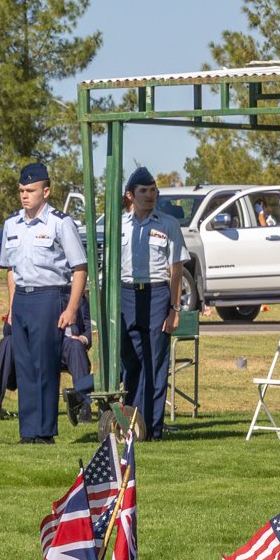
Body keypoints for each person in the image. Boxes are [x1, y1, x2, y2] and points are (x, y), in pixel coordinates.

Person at [1, 162, 88, 444]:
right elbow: (11, 270)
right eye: (21, 190)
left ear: (46, 191)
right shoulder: (11, 224)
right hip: (22, 300)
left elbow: (80, 268)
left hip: (49, 296)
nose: (25, 195)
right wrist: (12, 306)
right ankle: (28, 432)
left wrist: (72, 308)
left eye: (31, 190)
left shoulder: (60, 223)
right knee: (25, 366)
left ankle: (45, 431)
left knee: (45, 366)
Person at [118, 165, 183, 440]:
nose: (150, 195)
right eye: (143, 190)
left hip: (156, 294)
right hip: (127, 293)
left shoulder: (167, 224)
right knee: (130, 363)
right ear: (130, 195)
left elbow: (176, 269)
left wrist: (174, 308)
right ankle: (131, 426)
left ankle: (153, 429)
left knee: (156, 364)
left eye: (153, 190)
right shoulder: (118, 225)